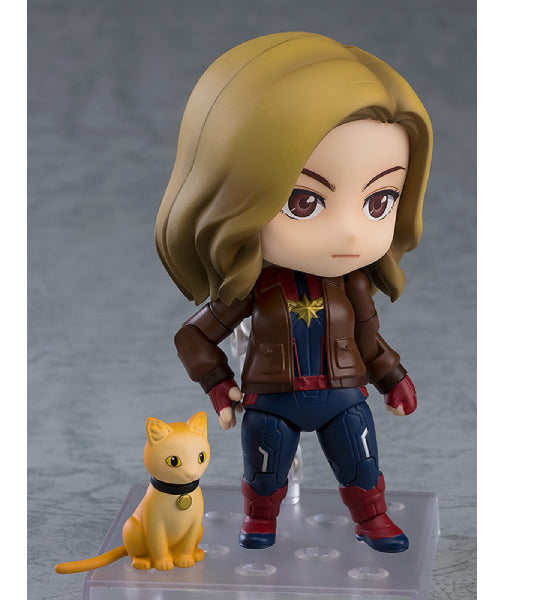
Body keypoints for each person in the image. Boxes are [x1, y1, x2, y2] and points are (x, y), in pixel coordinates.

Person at [155, 32, 432, 553]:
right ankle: (261, 520)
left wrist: (393, 377)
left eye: (378, 202)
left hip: (342, 395)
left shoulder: (352, 284)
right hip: (272, 399)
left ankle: (372, 519)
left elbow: (368, 338)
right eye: (304, 201)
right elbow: (192, 337)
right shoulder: (253, 286)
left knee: (361, 462)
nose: (350, 234)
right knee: (264, 470)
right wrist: (217, 383)